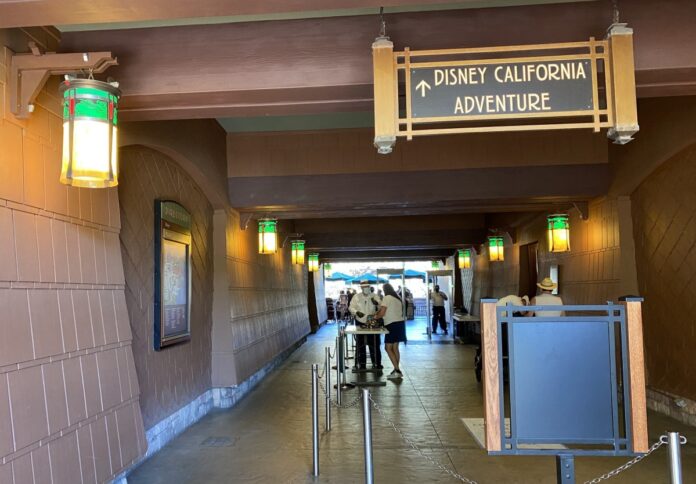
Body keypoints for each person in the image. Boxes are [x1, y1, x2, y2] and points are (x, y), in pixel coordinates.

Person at [373, 283, 406, 380]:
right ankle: (396, 369)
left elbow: (383, 312)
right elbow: (385, 310)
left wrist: (374, 317)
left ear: (385, 290)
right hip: (400, 324)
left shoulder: (387, 297)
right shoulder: (397, 298)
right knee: (395, 348)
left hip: (392, 324)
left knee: (388, 348)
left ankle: (397, 370)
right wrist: (378, 313)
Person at [349, 281, 382, 369]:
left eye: (367, 287)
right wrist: (356, 312)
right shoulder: (356, 297)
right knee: (360, 344)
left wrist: (376, 303)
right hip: (360, 321)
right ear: (361, 288)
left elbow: (381, 306)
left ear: (370, 287)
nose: (366, 288)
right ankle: (362, 364)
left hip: (372, 322)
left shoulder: (374, 296)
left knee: (374, 344)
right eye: (364, 287)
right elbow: (351, 307)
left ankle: (377, 363)